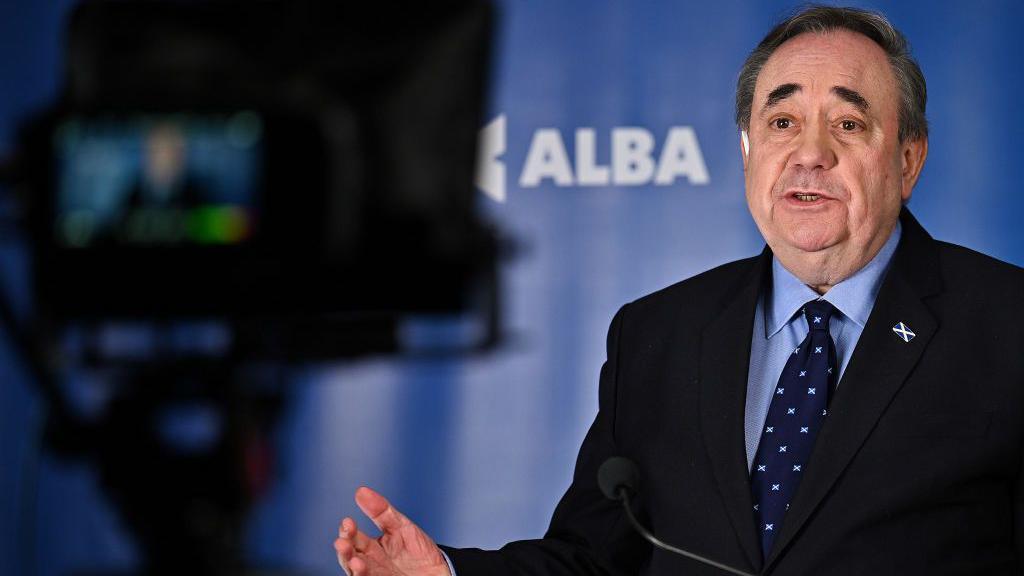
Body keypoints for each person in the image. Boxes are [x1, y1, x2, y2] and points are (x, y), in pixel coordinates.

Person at [333, 6, 1024, 575]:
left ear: (907, 160)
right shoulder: (657, 334)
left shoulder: (1004, 324)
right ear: (749, 150)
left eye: (848, 123)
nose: (810, 152)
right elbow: (593, 559)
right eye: (782, 122)